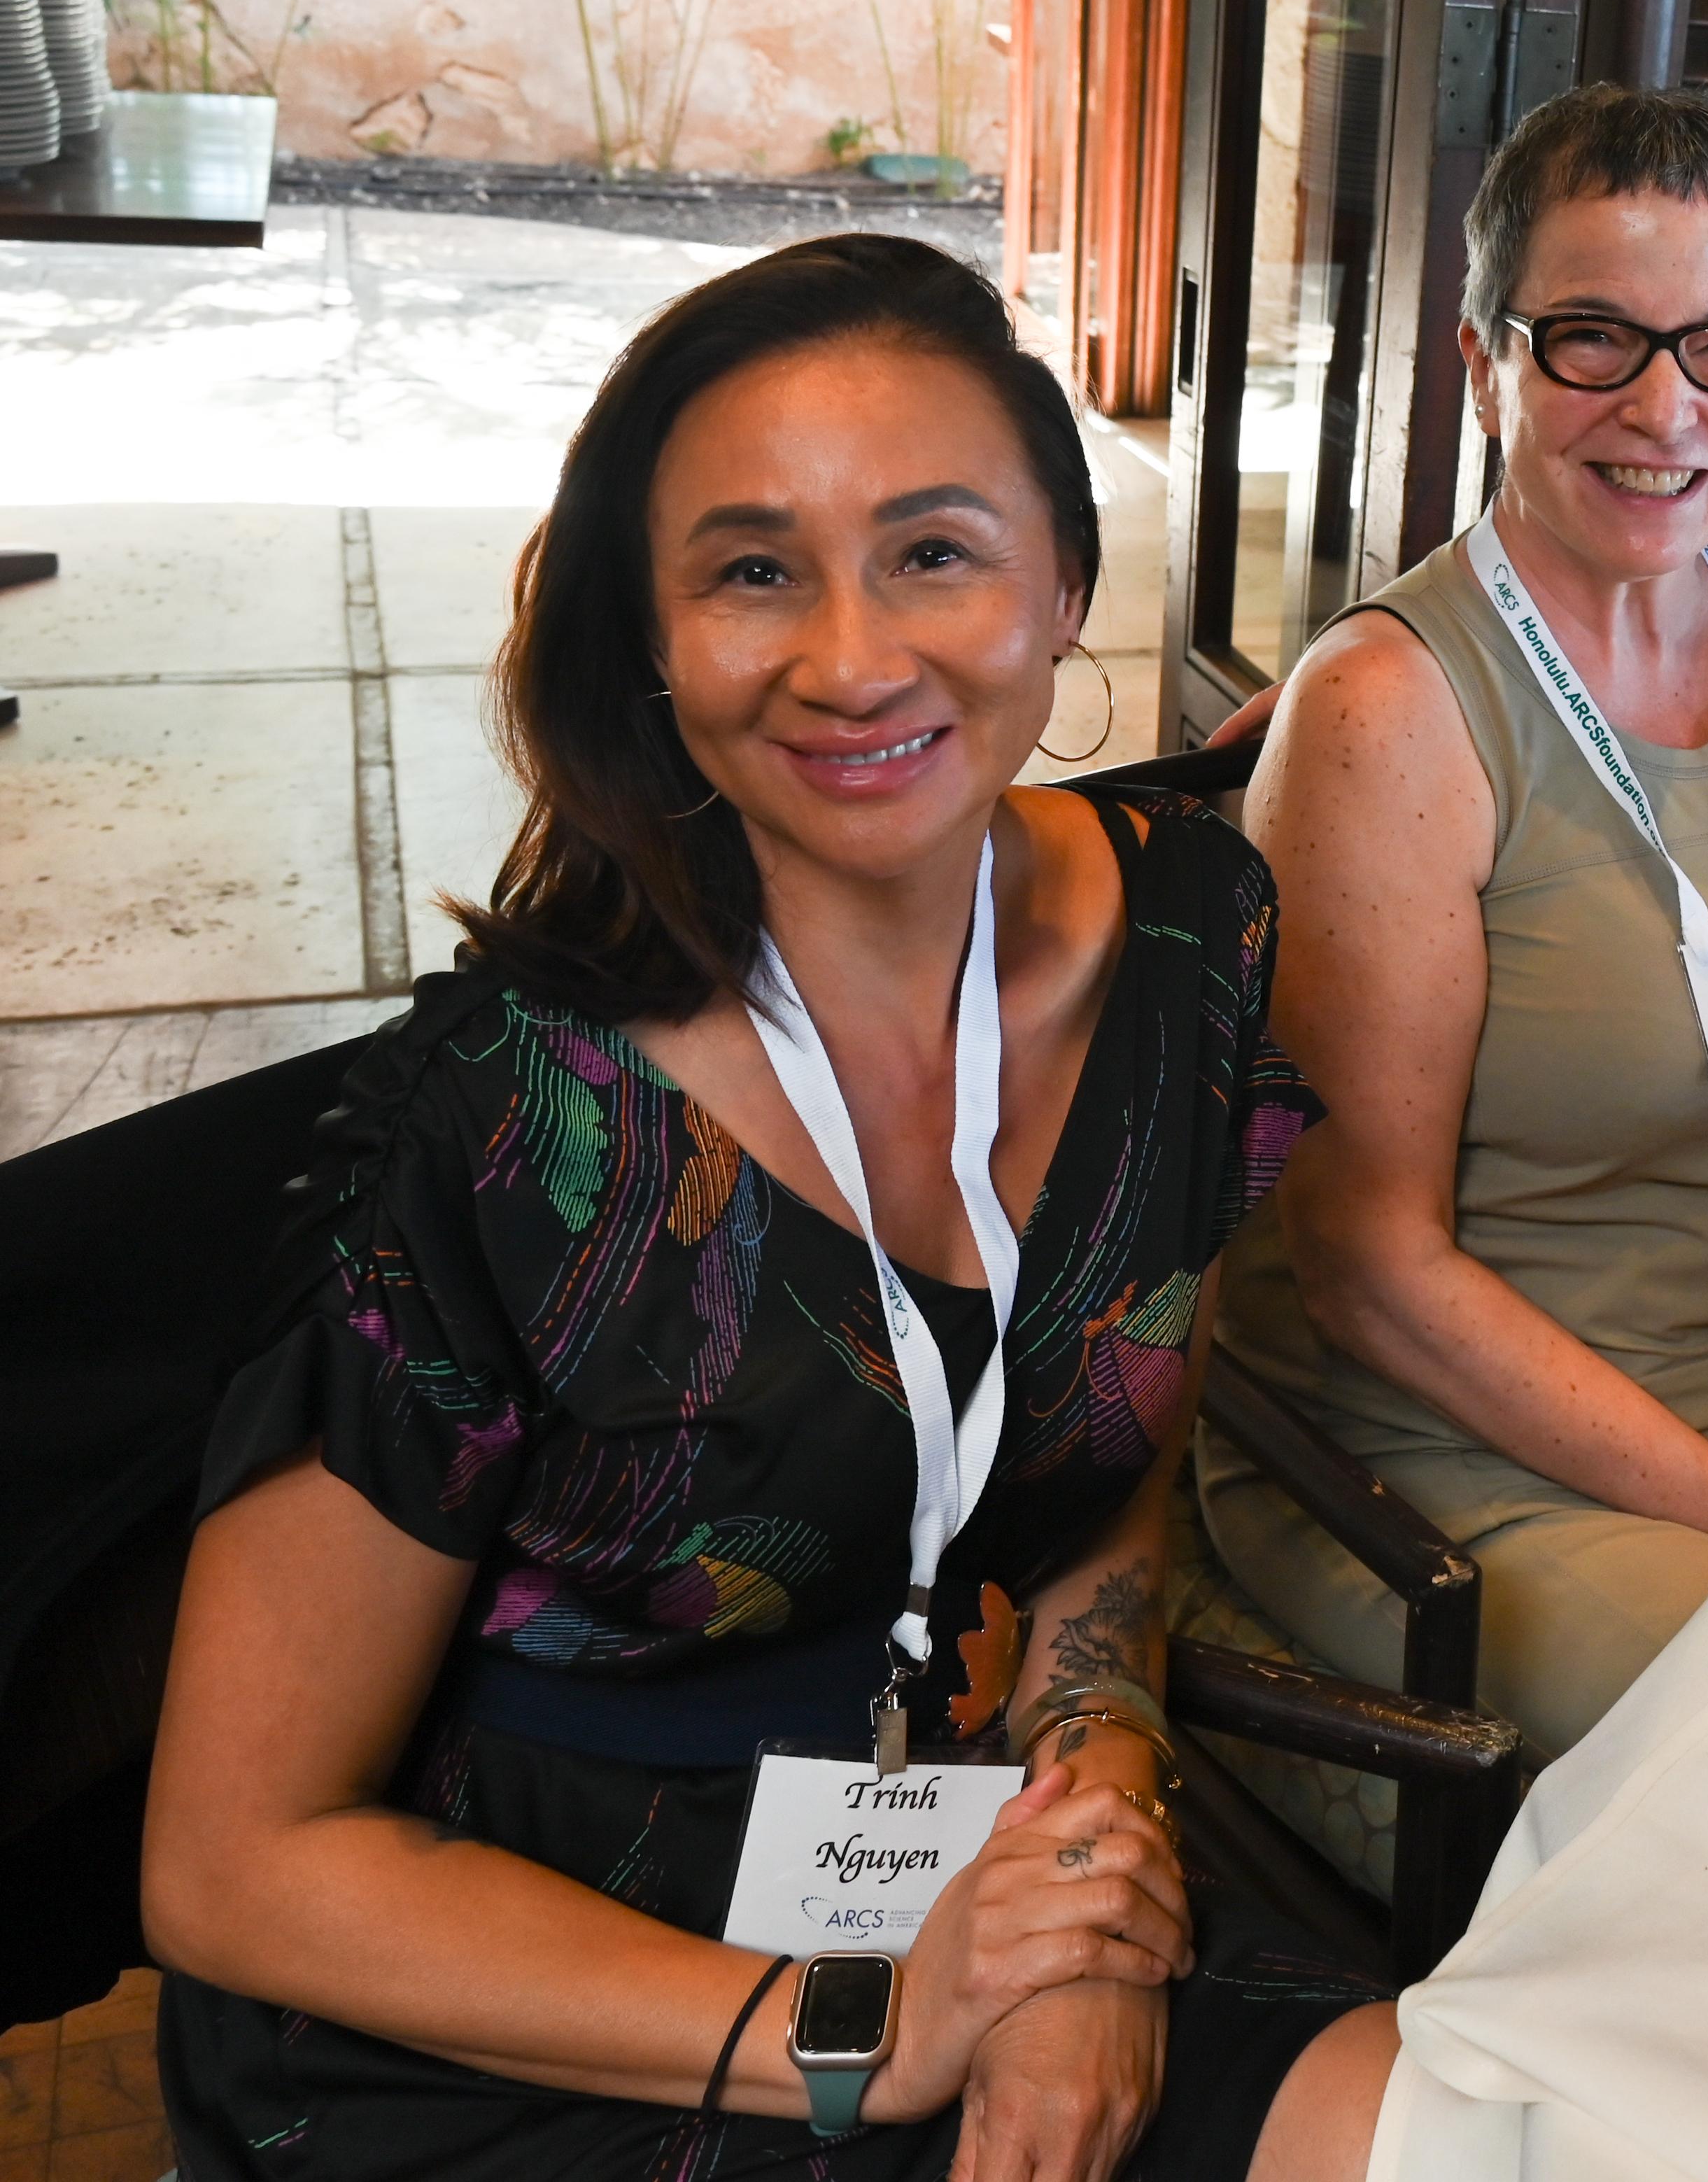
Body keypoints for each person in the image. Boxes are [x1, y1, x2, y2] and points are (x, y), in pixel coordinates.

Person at [141, 234, 1394, 2182]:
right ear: (646, 635)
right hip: (517, 1981)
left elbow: (1108, 1494)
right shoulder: (513, 1119)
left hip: (965, 1854)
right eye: (751, 570)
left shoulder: (1189, 939)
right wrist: (863, 2030)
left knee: (1458, 2127)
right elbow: (235, 1859)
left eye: (933, 550)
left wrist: (1082, 1874)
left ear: (1066, 581)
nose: (852, 658)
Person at [1201, 85, 1708, 1760]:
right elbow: (1368, 1267)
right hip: (1453, 1473)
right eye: (1593, 338)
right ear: (1483, 364)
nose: (1663, 407)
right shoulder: (1390, 710)